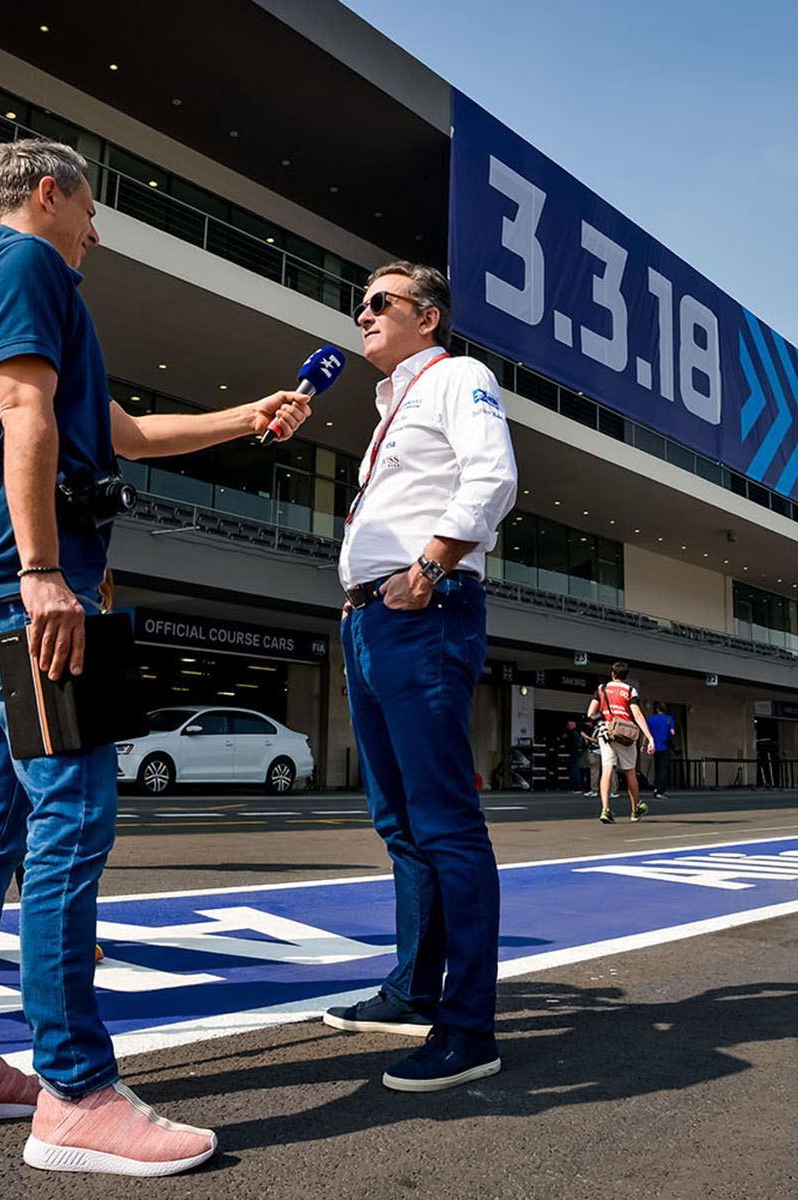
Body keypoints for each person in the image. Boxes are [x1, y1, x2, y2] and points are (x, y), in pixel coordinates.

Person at [0, 138, 311, 1175]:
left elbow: (119, 431)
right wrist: (44, 574)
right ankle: (75, 1092)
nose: (99, 229)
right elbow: (24, 411)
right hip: (25, 586)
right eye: (92, 209)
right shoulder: (29, 264)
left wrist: (246, 415)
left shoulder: (14, 283)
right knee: (74, 813)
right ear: (51, 193)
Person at [319, 259, 517, 1094]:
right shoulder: (390, 403)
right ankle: (412, 988)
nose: (361, 312)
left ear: (427, 317)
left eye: (379, 302)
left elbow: (494, 477)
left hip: (423, 611)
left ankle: (467, 1028)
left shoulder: (459, 376)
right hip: (371, 620)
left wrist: (431, 566)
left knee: (443, 821)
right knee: (398, 820)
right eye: (359, 302)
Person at [587, 663, 657, 822]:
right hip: (625, 734)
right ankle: (634, 810)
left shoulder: (601, 688)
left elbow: (590, 712)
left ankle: (605, 810)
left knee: (606, 771)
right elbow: (637, 715)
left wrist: (604, 722)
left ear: (612, 673)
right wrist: (650, 738)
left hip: (606, 733)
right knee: (630, 772)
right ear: (625, 676)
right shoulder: (630, 690)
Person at [646, 701, 675, 801]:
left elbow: (646, 732)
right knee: (663, 769)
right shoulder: (668, 718)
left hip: (655, 748)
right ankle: (660, 791)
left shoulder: (650, 719)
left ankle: (656, 787)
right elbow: (672, 732)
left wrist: (643, 746)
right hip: (665, 747)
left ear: (657, 709)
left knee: (657, 768)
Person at [560, 718, 586, 793]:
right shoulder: (577, 731)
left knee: (575, 770)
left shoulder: (575, 732)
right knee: (575, 769)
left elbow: (577, 742)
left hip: (575, 752)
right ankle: (576, 786)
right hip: (577, 752)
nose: (569, 726)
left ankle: (577, 787)